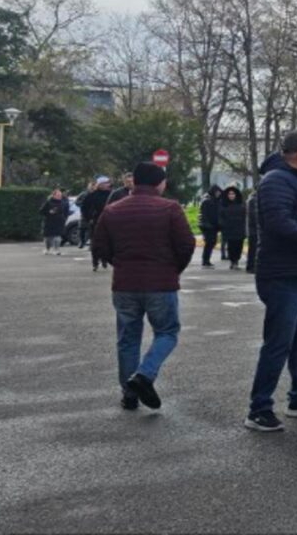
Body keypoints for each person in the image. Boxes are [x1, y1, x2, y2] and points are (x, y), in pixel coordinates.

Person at [91, 162, 195, 412]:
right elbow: (186, 244)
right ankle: (144, 375)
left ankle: (129, 395)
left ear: (134, 182)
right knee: (167, 332)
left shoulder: (113, 210)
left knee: (127, 339)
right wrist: (173, 269)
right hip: (161, 283)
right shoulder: (170, 208)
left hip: (125, 283)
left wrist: (119, 263)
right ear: (159, 183)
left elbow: (99, 246)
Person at [244, 132, 297, 433]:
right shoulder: (277, 181)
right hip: (281, 275)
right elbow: (279, 223)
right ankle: (259, 408)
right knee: (278, 342)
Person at [80, 176, 112, 269]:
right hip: (95, 221)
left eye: (108, 183)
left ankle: (105, 260)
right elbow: (84, 208)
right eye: (105, 183)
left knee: (107, 242)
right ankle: (95, 261)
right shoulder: (91, 196)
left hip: (108, 221)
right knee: (95, 243)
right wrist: (88, 218)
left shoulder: (111, 194)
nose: (107, 185)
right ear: (100, 184)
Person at [220, 185, 247, 271]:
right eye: (230, 194)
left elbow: (244, 216)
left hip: (239, 228)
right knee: (231, 246)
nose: (231, 196)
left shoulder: (241, 204)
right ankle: (232, 261)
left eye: (233, 194)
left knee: (239, 246)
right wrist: (223, 226)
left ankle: (236, 261)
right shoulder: (224, 205)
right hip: (229, 229)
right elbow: (220, 217)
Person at [40, 188, 69, 256]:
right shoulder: (48, 202)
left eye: (60, 195)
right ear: (53, 195)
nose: (60, 196)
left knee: (57, 237)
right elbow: (41, 211)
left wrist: (64, 218)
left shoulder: (63, 202)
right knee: (48, 238)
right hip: (49, 222)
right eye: (58, 195)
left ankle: (56, 250)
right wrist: (49, 212)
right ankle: (47, 249)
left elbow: (66, 212)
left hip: (59, 222)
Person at [198, 187, 221, 267]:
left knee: (212, 242)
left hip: (213, 225)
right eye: (217, 192)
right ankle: (205, 260)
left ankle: (206, 259)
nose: (218, 194)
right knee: (209, 242)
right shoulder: (207, 201)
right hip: (207, 225)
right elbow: (204, 214)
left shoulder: (215, 200)